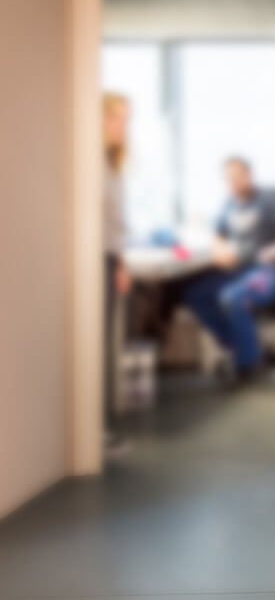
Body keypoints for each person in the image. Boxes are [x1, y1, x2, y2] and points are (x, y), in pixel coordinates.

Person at [184, 157, 275, 382]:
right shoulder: (228, 205)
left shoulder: (268, 196)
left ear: (249, 175)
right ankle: (243, 346)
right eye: (228, 178)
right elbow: (217, 235)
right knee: (197, 294)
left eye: (238, 176)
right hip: (239, 271)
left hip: (270, 272)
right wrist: (220, 250)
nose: (233, 182)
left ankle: (248, 366)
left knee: (233, 297)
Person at [102, 92, 133, 447]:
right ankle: (95, 432)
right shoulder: (91, 163)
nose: (122, 126)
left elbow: (115, 222)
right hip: (96, 259)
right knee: (95, 345)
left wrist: (121, 262)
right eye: (115, 118)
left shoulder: (112, 165)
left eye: (126, 120)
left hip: (110, 259)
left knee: (102, 345)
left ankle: (100, 429)